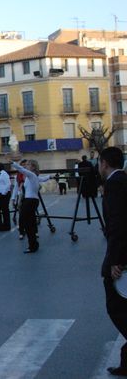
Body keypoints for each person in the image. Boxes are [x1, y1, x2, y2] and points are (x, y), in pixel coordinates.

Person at [98, 147, 127, 376]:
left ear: (104, 163)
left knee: (115, 306)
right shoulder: (123, 180)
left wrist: (116, 260)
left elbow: (118, 223)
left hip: (120, 256)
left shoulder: (114, 185)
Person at [11, 160, 50, 253]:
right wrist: (50, 176)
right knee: (30, 223)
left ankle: (32, 245)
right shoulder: (33, 176)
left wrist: (13, 163)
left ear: (33, 167)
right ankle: (33, 244)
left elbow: (21, 169)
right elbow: (43, 179)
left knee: (28, 223)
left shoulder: (31, 175)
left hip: (30, 201)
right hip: (31, 200)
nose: (26, 166)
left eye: (28, 164)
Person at [0, 163, 12, 232]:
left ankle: (6, 226)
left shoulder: (4, 174)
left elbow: (8, 184)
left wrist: (3, 193)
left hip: (3, 194)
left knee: (4, 210)